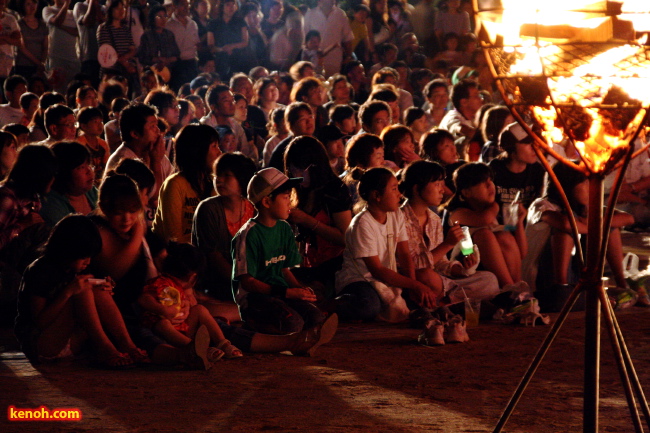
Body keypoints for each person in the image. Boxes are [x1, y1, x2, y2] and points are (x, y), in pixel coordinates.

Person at [14, 214, 148, 368]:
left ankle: (127, 345)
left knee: (95, 289)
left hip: (71, 340)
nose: (88, 262)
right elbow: (39, 322)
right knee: (82, 290)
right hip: (41, 345)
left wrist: (104, 289)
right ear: (67, 251)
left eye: (90, 256)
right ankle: (105, 348)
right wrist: (68, 293)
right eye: (83, 257)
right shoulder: (41, 270)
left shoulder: (78, 268)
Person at [523, 162, 637, 312]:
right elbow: (565, 223)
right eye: (585, 181)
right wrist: (592, 225)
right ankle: (561, 288)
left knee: (609, 226)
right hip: (542, 280)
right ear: (568, 184)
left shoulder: (584, 207)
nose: (591, 187)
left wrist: (594, 223)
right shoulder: (542, 205)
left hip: (576, 275)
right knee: (568, 229)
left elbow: (628, 219)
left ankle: (622, 284)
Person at [232, 167, 326, 334]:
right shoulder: (249, 234)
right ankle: (253, 326)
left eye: (289, 197)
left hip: (280, 293)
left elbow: (283, 269)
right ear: (267, 202)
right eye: (285, 197)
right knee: (293, 324)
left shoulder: (284, 228)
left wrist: (300, 290)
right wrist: (288, 292)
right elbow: (248, 282)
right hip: (255, 298)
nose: (289, 202)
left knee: (315, 317)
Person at [335, 167, 436, 323]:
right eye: (394, 189)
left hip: (386, 279)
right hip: (360, 280)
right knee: (369, 306)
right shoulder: (362, 223)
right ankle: (329, 305)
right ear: (377, 196)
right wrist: (415, 285)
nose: (399, 194)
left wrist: (412, 287)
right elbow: (377, 270)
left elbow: (404, 254)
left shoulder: (396, 215)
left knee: (420, 298)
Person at [399, 160, 499, 306]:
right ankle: (454, 303)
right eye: (437, 185)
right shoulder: (399, 219)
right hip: (412, 281)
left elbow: (441, 262)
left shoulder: (434, 219)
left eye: (442, 184)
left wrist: (461, 269)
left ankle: (443, 302)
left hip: (440, 282)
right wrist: (448, 244)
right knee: (426, 276)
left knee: (489, 279)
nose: (443, 190)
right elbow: (414, 267)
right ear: (416, 188)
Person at [139, 242, 243, 369]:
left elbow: (191, 306)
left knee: (200, 309)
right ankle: (196, 349)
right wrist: (163, 310)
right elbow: (144, 298)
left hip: (183, 328)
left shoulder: (180, 289)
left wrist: (188, 303)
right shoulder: (160, 283)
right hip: (162, 333)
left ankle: (222, 343)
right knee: (162, 324)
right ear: (193, 277)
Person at [284, 136, 352, 296]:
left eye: (301, 170)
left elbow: (345, 237)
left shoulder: (335, 190)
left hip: (337, 263)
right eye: (292, 170)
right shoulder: (301, 189)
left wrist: (307, 221)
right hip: (310, 264)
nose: (296, 175)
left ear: (315, 166)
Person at [445, 162, 528, 290]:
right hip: (463, 264)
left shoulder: (494, 213)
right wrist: (495, 206)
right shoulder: (457, 212)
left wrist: (519, 222)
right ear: (466, 192)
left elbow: (521, 253)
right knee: (485, 234)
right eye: (483, 182)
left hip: (489, 267)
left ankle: (517, 291)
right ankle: (509, 289)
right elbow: (484, 219)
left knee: (504, 235)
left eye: (490, 180)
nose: (490, 185)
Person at [152, 124, 220, 244]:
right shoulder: (174, 184)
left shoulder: (214, 183)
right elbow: (174, 238)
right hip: (181, 255)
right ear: (198, 151)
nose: (219, 152)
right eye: (214, 146)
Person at [39, 141, 98, 227]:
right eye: (81, 167)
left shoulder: (91, 191)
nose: (89, 171)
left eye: (89, 164)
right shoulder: (51, 204)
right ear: (64, 173)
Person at [488, 122, 545, 210]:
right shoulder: (492, 171)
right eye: (527, 143)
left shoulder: (538, 171)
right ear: (511, 147)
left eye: (535, 141)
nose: (535, 147)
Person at [200, 84, 258, 161]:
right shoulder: (205, 126)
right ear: (213, 106)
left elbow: (245, 152)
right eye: (226, 101)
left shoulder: (235, 125)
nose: (232, 104)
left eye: (233, 100)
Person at [303, 0, 353, 78]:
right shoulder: (310, 14)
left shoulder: (340, 14)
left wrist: (348, 57)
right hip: (314, 64)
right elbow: (304, 40)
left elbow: (347, 38)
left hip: (334, 61)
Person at [96, 0, 137, 91]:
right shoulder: (104, 28)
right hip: (111, 73)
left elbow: (133, 49)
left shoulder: (125, 29)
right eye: (117, 8)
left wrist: (126, 58)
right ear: (110, 10)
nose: (121, 11)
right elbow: (107, 51)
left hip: (125, 73)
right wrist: (125, 64)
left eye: (123, 8)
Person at [43, 0, 81, 93]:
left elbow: (77, 31)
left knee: (74, 89)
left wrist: (61, 27)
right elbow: (57, 20)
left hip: (73, 58)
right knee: (58, 89)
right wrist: (66, 4)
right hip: (57, 57)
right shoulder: (48, 10)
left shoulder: (72, 13)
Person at [267, 101, 315, 170]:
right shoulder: (283, 149)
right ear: (291, 125)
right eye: (302, 119)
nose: (309, 122)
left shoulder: (316, 143)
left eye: (310, 117)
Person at [419, 128, 465, 201]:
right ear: (433, 151)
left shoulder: (463, 167)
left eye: (453, 144)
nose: (453, 149)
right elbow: (452, 200)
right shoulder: (431, 175)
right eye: (446, 146)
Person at [137, 5, 181, 82]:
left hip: (170, 73)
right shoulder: (147, 36)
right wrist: (158, 60)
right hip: (152, 75)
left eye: (165, 16)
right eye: (159, 17)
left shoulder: (169, 35)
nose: (163, 20)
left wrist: (166, 61)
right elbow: (143, 58)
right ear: (152, 19)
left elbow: (176, 55)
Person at [165, 0, 200, 91]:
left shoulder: (192, 24)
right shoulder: (169, 26)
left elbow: (196, 43)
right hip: (177, 65)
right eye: (182, 5)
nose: (186, 8)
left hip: (192, 64)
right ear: (175, 6)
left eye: (187, 5)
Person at [73, 0, 105, 87]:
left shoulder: (104, 8)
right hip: (89, 57)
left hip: (105, 57)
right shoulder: (80, 6)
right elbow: (88, 22)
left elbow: (105, 24)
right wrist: (92, 3)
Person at [16, 0, 49, 80]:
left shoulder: (43, 24)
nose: (32, 6)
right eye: (28, 4)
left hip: (40, 67)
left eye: (34, 3)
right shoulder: (19, 24)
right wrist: (38, 63)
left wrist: (42, 62)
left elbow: (46, 46)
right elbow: (22, 47)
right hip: (23, 65)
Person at [76, 107, 109, 183]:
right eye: (95, 122)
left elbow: (106, 166)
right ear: (83, 126)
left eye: (101, 121)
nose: (100, 125)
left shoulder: (103, 144)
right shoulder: (79, 144)